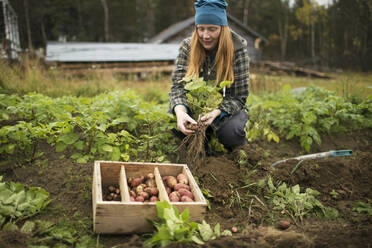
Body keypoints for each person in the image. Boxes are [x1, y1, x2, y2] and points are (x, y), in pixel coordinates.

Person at [169, 0, 250, 152]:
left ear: (222, 28)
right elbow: (177, 88)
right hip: (194, 107)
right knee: (176, 128)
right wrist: (180, 112)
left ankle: (236, 151)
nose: (205, 36)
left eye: (212, 29)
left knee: (231, 133)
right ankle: (203, 145)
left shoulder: (237, 49)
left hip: (222, 109)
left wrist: (217, 112)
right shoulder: (188, 46)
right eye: (201, 29)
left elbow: (239, 96)